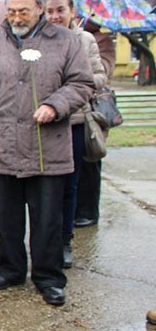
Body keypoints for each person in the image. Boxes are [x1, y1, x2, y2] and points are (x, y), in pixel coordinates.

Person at [0, 0, 94, 306]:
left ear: (40, 8)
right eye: (11, 11)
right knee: (7, 218)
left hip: (47, 147)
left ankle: (48, 276)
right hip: (3, 145)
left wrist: (55, 105)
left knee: (48, 219)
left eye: (23, 11)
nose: (16, 17)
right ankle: (10, 269)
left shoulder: (65, 41)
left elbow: (82, 83)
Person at [45, 0, 107, 269]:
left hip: (75, 121)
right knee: (45, 186)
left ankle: (64, 240)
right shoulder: (37, 40)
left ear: (72, 12)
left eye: (60, 10)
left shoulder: (85, 40)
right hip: (45, 122)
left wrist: (74, 80)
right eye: (50, 11)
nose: (55, 16)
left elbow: (100, 76)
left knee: (70, 184)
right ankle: (44, 240)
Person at [76, 20, 117, 228]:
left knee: (91, 156)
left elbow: (106, 69)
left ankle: (89, 211)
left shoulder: (102, 40)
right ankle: (77, 209)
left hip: (93, 109)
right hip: (76, 108)